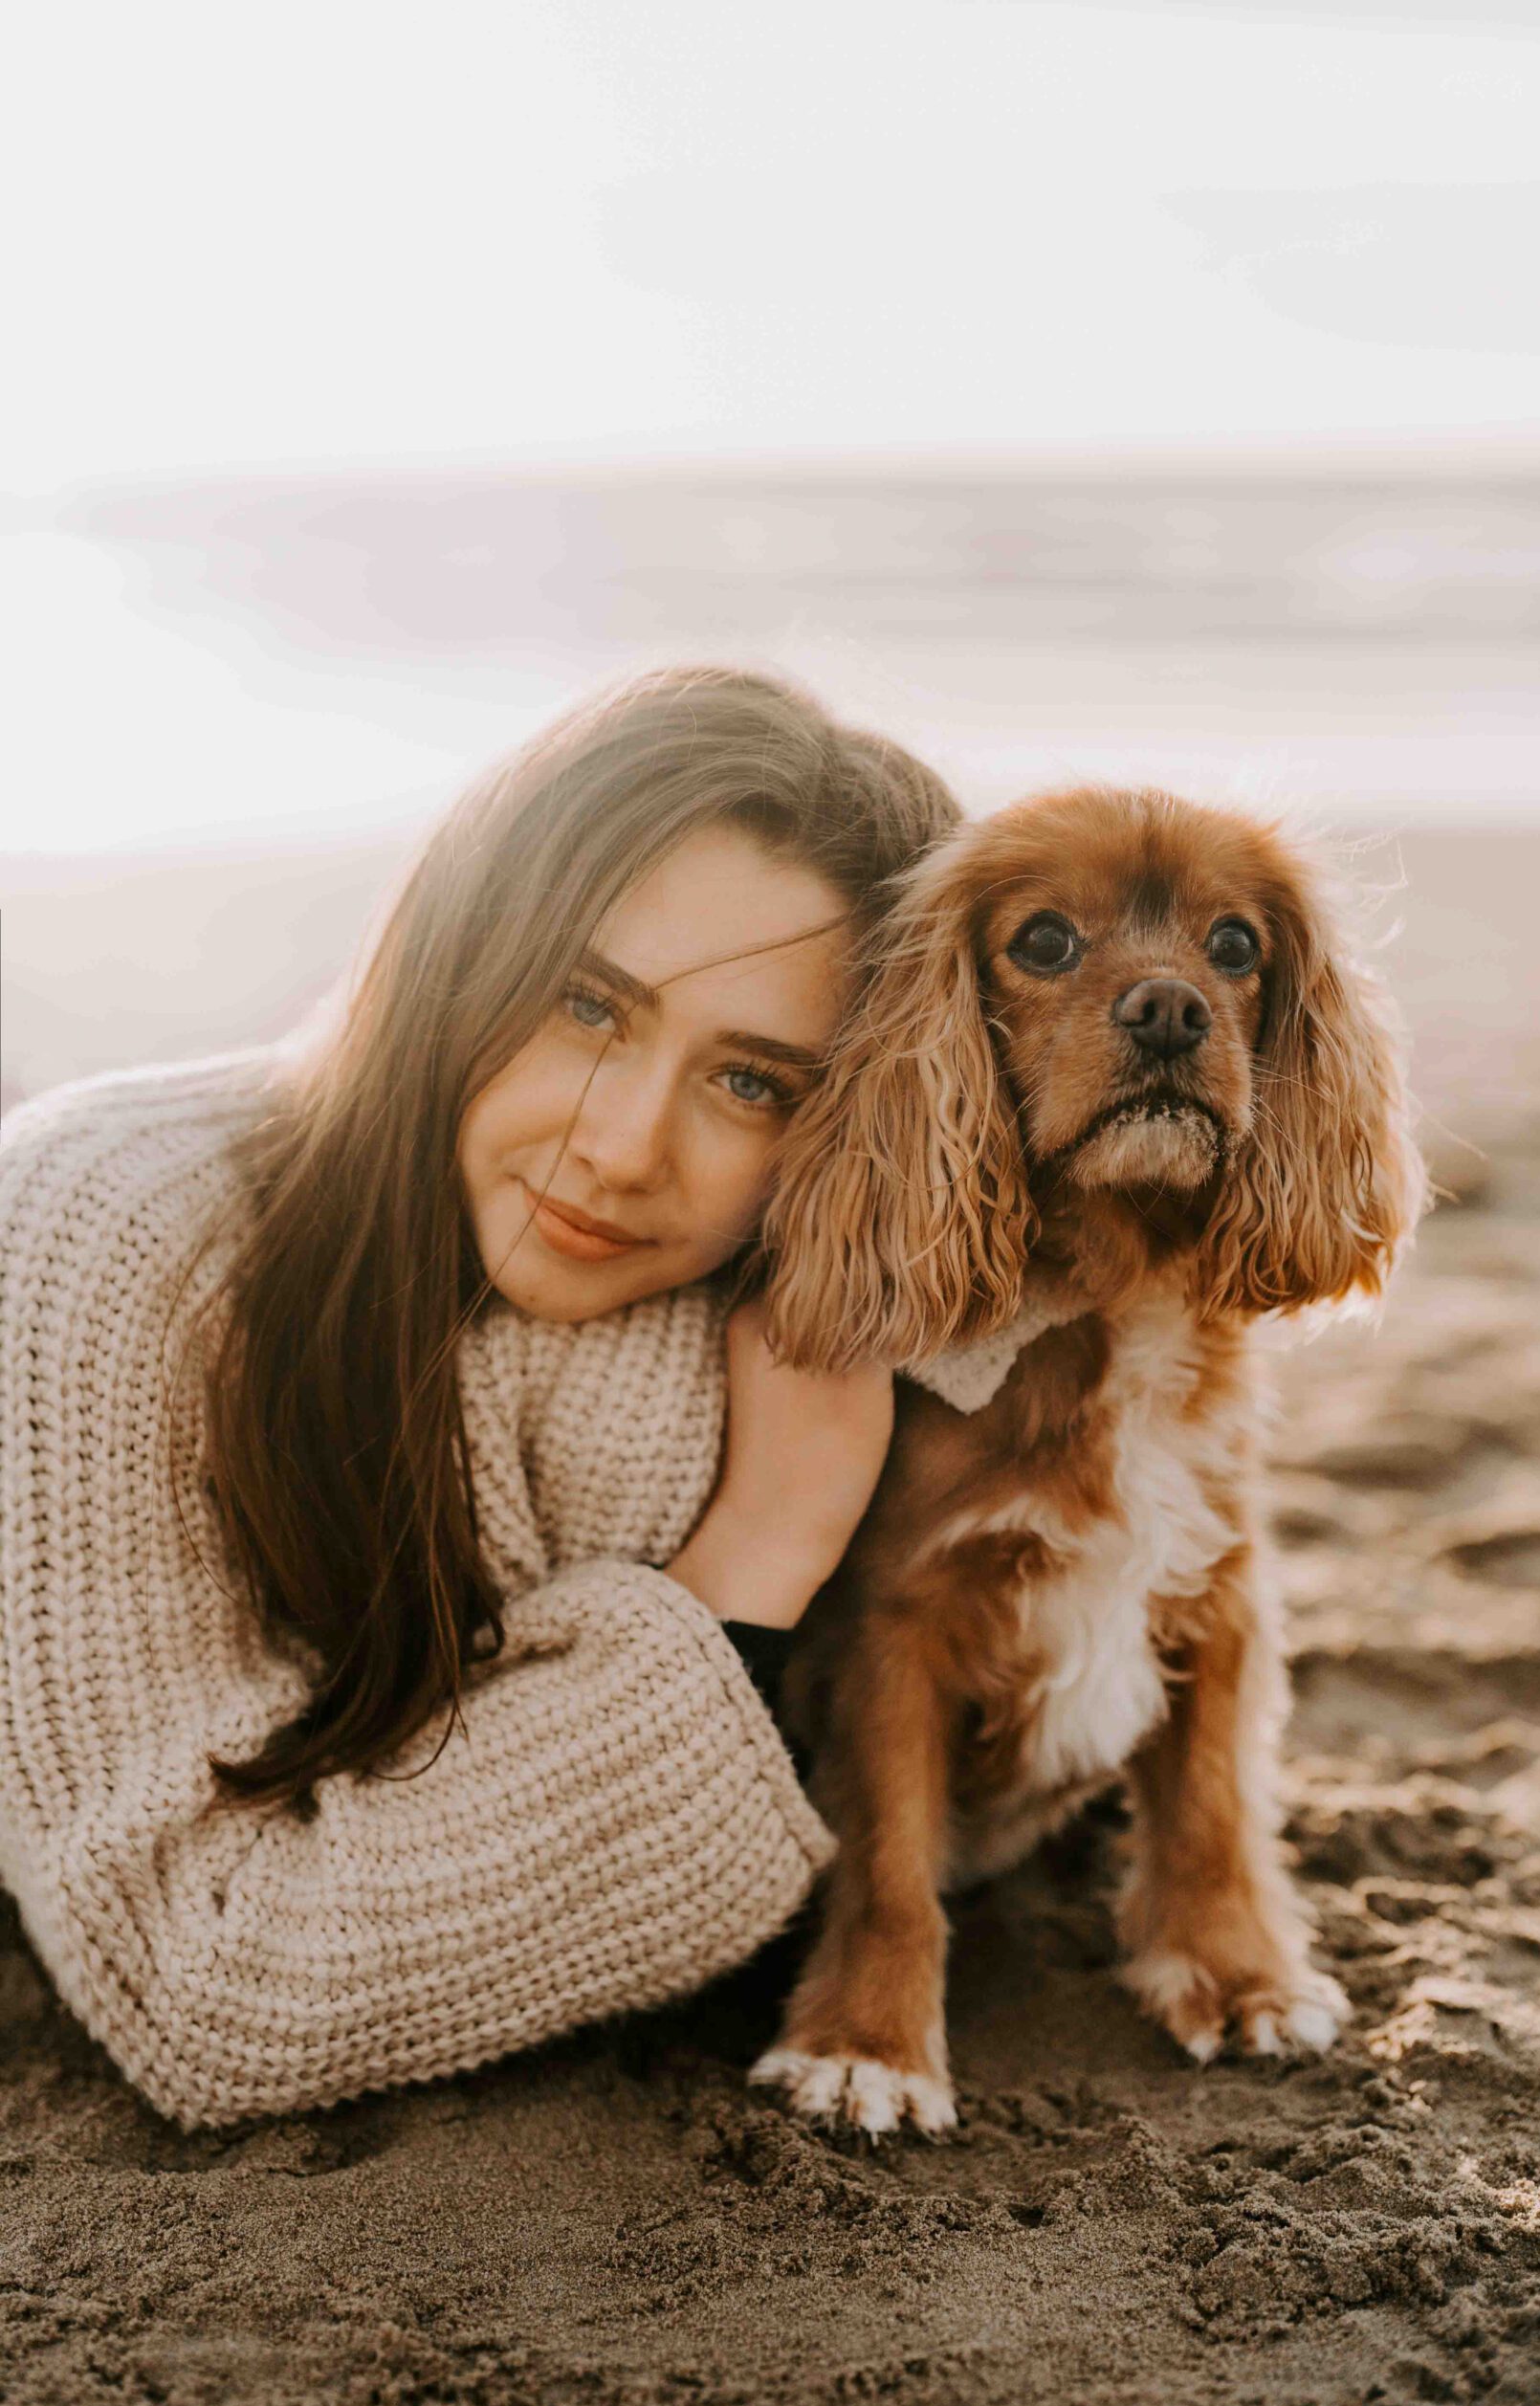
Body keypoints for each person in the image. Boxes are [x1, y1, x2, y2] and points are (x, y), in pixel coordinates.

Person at [0, 664, 962, 2132]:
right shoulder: (107, 1226)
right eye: (587, 1005)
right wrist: (756, 1557)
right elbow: (205, 1987)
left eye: (754, 1084)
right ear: (456, 947)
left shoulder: (773, 1312)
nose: (624, 1148)